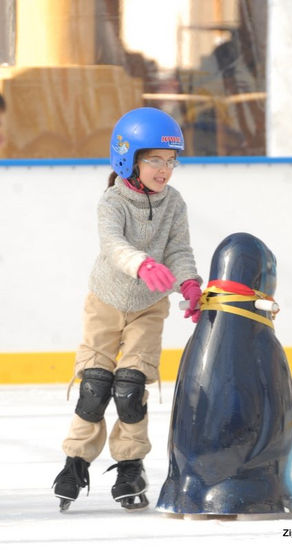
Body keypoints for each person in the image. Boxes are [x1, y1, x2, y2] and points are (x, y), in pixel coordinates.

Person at [52, 107, 202, 511]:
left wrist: (188, 281)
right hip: (106, 300)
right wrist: (142, 263)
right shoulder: (112, 200)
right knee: (95, 385)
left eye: (171, 161)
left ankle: (131, 465)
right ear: (128, 158)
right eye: (154, 159)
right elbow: (113, 246)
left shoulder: (174, 203)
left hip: (150, 307)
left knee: (131, 388)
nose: (164, 170)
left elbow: (178, 249)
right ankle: (76, 461)